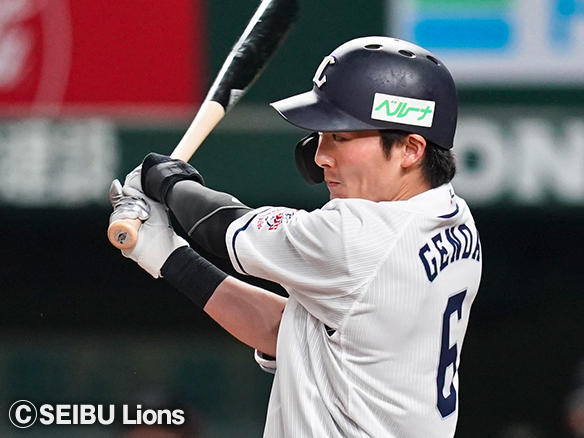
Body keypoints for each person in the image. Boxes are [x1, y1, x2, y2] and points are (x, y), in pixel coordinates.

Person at [109, 36, 482, 438]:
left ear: (410, 149)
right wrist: (166, 256)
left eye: (340, 137)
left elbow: (225, 226)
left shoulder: (361, 237)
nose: (321, 156)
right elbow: (282, 331)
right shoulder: (455, 220)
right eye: (321, 136)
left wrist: (164, 180)